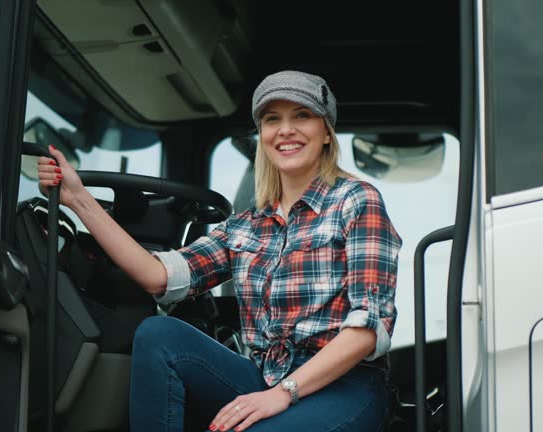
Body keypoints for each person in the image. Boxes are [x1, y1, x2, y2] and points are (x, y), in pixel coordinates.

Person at [38, 70, 402, 432]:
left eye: (302, 115)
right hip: (266, 376)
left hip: (343, 385)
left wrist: (282, 394)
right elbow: (158, 276)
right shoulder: (245, 224)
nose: (286, 129)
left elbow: (367, 328)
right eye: (272, 119)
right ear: (263, 134)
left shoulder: (356, 201)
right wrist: (78, 199)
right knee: (158, 334)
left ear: (325, 132)